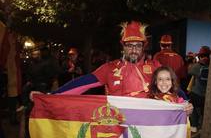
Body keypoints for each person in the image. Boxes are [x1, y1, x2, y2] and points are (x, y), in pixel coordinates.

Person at [31, 21, 193, 114]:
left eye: (138, 45)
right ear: (123, 47)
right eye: (130, 45)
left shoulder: (155, 66)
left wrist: (185, 102)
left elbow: (172, 86)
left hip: (147, 124)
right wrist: (51, 95)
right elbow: (82, 83)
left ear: (144, 47)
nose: (134, 49)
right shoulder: (110, 67)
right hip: (117, 125)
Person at [188, 46, 210, 132]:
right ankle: (199, 126)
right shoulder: (209, 65)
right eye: (202, 56)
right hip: (202, 93)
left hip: (199, 93)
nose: (203, 58)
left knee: (195, 109)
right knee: (199, 110)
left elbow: (190, 71)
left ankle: (195, 125)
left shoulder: (198, 66)